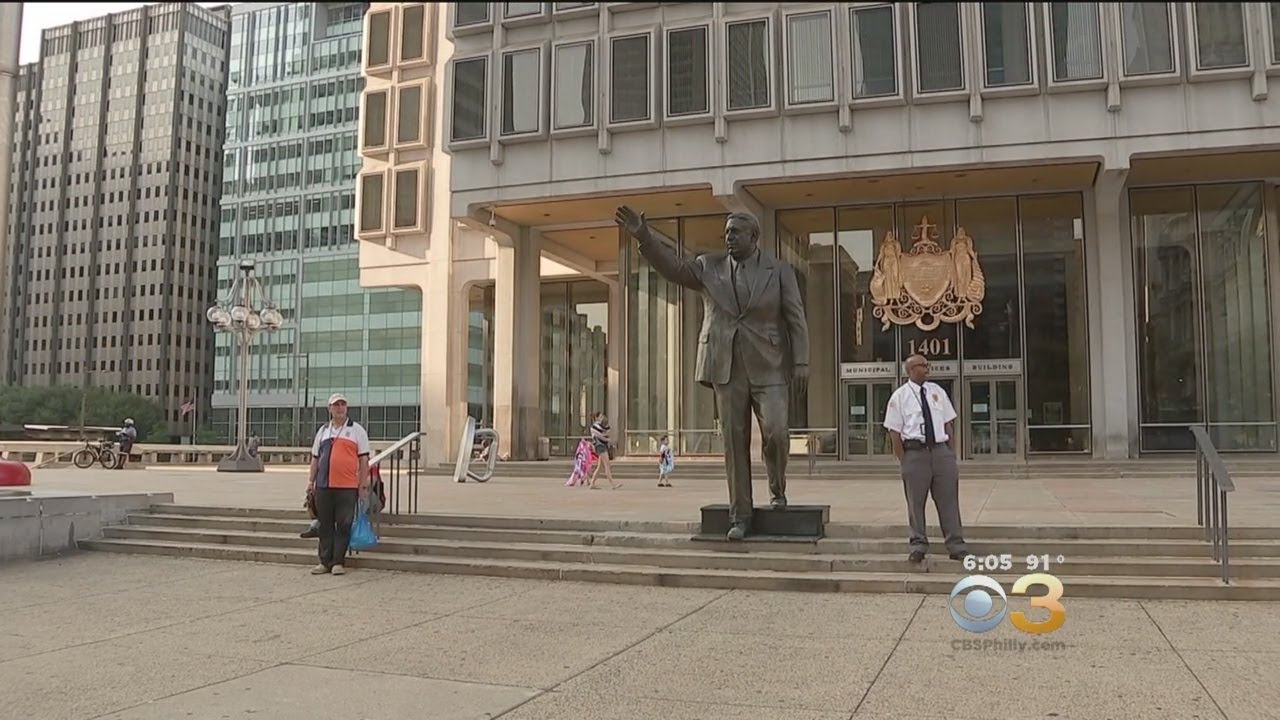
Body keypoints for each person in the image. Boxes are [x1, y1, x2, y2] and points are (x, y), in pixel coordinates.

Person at [616, 206, 809, 540]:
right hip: (725, 364)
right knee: (734, 443)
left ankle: (777, 489)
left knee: (777, 433)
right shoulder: (709, 266)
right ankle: (740, 514)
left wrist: (801, 361)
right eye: (726, 232)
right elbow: (674, 269)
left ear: (754, 236)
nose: (728, 237)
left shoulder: (779, 272)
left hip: (770, 363)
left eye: (735, 231)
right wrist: (644, 237)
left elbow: (795, 318)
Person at [883, 354, 972, 563]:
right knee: (916, 503)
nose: (927, 368)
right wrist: (904, 459)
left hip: (941, 453)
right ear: (911, 370)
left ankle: (956, 545)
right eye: (923, 366)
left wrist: (951, 452)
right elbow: (894, 432)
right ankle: (918, 545)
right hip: (915, 453)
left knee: (949, 501)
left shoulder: (937, 392)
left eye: (927, 365)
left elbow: (949, 423)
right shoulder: (899, 397)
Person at [307, 393, 371, 575]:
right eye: (336, 405)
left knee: (343, 524)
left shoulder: (357, 430)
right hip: (324, 486)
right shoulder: (323, 431)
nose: (340, 408)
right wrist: (310, 481)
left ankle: (338, 562)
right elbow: (315, 459)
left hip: (347, 486)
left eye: (342, 404)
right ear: (329, 409)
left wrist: (362, 485)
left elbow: (364, 460)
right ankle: (324, 561)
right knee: (325, 524)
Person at [587, 412, 621, 490]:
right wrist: (606, 438)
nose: (602, 418)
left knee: (600, 467)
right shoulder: (594, 426)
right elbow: (600, 435)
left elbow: (606, 431)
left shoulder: (602, 426)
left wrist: (607, 435)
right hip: (600, 446)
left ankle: (592, 483)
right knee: (607, 464)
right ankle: (612, 484)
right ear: (596, 418)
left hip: (603, 446)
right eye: (600, 416)